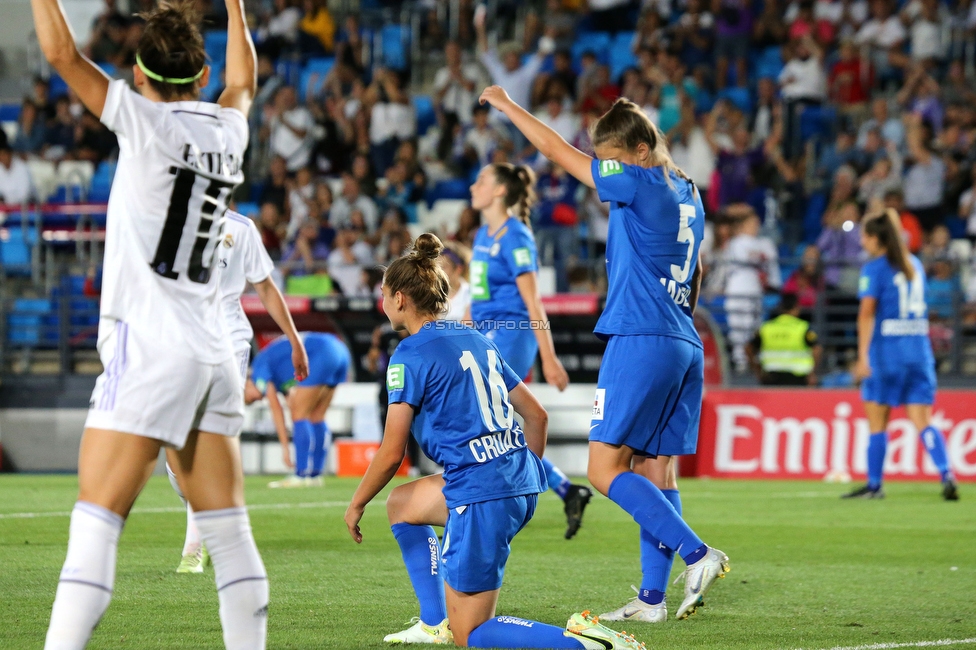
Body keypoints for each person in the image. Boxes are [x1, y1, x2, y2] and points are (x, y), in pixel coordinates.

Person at [34, 0, 273, 647]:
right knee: (229, 534)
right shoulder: (230, 130)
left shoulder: (142, 123)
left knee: (96, 522)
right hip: (213, 354)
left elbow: (62, 56)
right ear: (199, 77)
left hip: (149, 346)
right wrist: (235, 5)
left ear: (141, 78)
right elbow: (243, 82)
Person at [480, 86, 730, 623]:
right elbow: (699, 270)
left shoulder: (638, 180)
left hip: (641, 337)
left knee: (602, 468)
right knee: (656, 471)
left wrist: (505, 104)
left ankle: (698, 554)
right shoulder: (688, 190)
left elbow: (556, 154)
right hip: (682, 340)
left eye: (611, 159)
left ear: (640, 150)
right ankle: (651, 601)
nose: (604, 173)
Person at [343, 234, 644, 650]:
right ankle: (434, 624)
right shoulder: (477, 338)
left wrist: (357, 503)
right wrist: (526, 477)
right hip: (516, 482)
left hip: (479, 494)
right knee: (402, 505)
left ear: (399, 298)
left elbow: (392, 452)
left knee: (473, 635)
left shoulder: (409, 355)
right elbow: (537, 415)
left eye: (382, 294)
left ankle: (587, 644)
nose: (382, 302)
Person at [167, 209, 308, 573]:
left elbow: (265, 286)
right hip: (180, 341)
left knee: (211, 436)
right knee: (177, 444)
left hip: (229, 341)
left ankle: (195, 547)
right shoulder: (168, 218)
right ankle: (201, 507)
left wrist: (294, 339)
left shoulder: (241, 228)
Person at [465, 161, 592, 540]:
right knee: (495, 427)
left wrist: (548, 357)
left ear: (500, 191)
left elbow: (533, 301)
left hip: (512, 334)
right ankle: (566, 489)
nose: (474, 185)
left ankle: (481, 508)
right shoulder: (482, 234)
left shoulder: (517, 236)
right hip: (486, 335)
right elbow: (478, 295)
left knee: (483, 421)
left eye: (481, 179)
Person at [845, 209, 959, 501]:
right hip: (919, 351)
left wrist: (862, 357)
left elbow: (867, 313)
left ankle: (874, 485)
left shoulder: (874, 269)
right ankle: (946, 472)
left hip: (887, 353)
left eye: (864, 236)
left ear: (874, 238)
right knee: (923, 418)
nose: (862, 241)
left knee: (877, 419)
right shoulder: (914, 264)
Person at [246, 332, 351, 488]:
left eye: (252, 399)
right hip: (340, 351)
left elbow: (277, 410)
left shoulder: (258, 370)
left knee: (299, 414)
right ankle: (315, 475)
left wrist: (285, 449)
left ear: (245, 384)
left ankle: (301, 475)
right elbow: (288, 400)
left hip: (322, 353)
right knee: (317, 416)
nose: (260, 399)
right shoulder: (275, 372)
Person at [746, 293, 822, 386]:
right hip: (798, 379)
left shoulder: (766, 328)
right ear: (796, 307)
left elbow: (748, 348)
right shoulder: (803, 327)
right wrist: (812, 373)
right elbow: (817, 349)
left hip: (771, 377)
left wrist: (757, 369)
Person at [440, 240, 472, 321]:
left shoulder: (471, 295)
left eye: (443, 268)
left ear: (458, 269)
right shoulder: (430, 297)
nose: (438, 273)